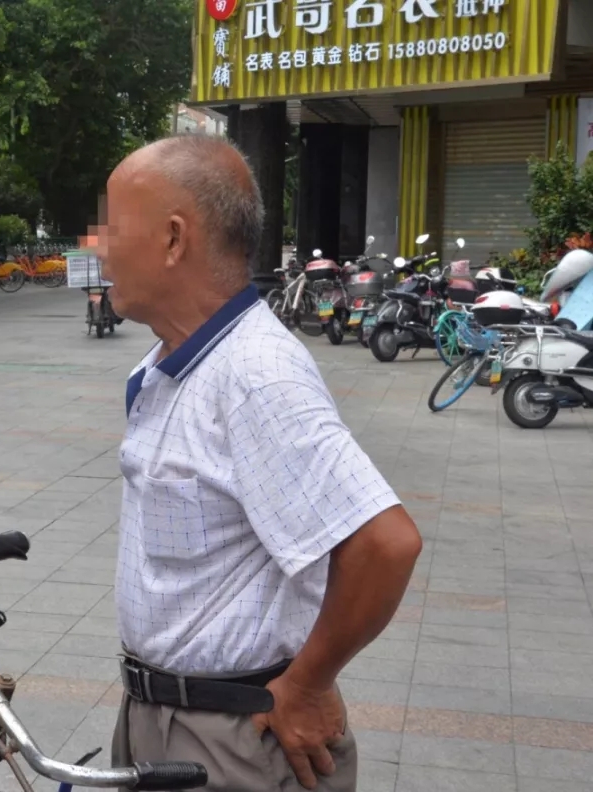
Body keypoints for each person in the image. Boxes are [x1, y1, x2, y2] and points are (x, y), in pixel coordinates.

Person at [102, 135, 423, 792]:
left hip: (231, 742)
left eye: (112, 226)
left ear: (172, 240)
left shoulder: (255, 376)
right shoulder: (170, 367)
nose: (98, 246)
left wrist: (307, 684)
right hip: (164, 722)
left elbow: (385, 544)